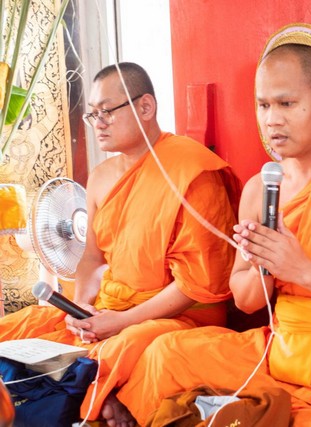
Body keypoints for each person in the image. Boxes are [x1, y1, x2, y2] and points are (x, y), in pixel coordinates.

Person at [110, 23, 311, 427]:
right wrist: (263, 266)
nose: (272, 120)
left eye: (286, 104)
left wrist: (300, 269)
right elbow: (248, 301)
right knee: (166, 356)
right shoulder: (260, 189)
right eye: (263, 105)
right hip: (277, 351)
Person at [0, 62, 240, 425]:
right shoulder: (100, 178)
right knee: (20, 327)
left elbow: (199, 284)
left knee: (125, 347)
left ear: (145, 107)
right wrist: (81, 307)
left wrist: (123, 321)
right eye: (92, 114)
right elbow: (92, 258)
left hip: (176, 315)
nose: (98, 123)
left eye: (107, 111)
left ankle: (101, 401)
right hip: (108, 310)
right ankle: (91, 396)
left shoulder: (192, 172)